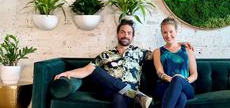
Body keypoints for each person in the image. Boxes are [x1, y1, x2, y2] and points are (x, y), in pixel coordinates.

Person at [55, 19, 192, 108]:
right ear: (117, 34)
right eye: (123, 32)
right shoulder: (105, 55)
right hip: (110, 90)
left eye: (129, 33)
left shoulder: (140, 52)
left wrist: (177, 43)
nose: (125, 35)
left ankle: (132, 93)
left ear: (132, 37)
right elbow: (86, 70)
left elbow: (162, 52)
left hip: (127, 93)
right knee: (95, 70)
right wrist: (67, 73)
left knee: (120, 97)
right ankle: (135, 95)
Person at [153, 17, 198, 108]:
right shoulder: (158, 51)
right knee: (181, 97)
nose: (168, 35)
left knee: (178, 80)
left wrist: (180, 81)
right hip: (164, 86)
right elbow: (159, 72)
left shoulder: (187, 50)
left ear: (176, 31)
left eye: (171, 31)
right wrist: (172, 80)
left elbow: (194, 74)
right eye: (165, 32)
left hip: (185, 86)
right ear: (161, 33)